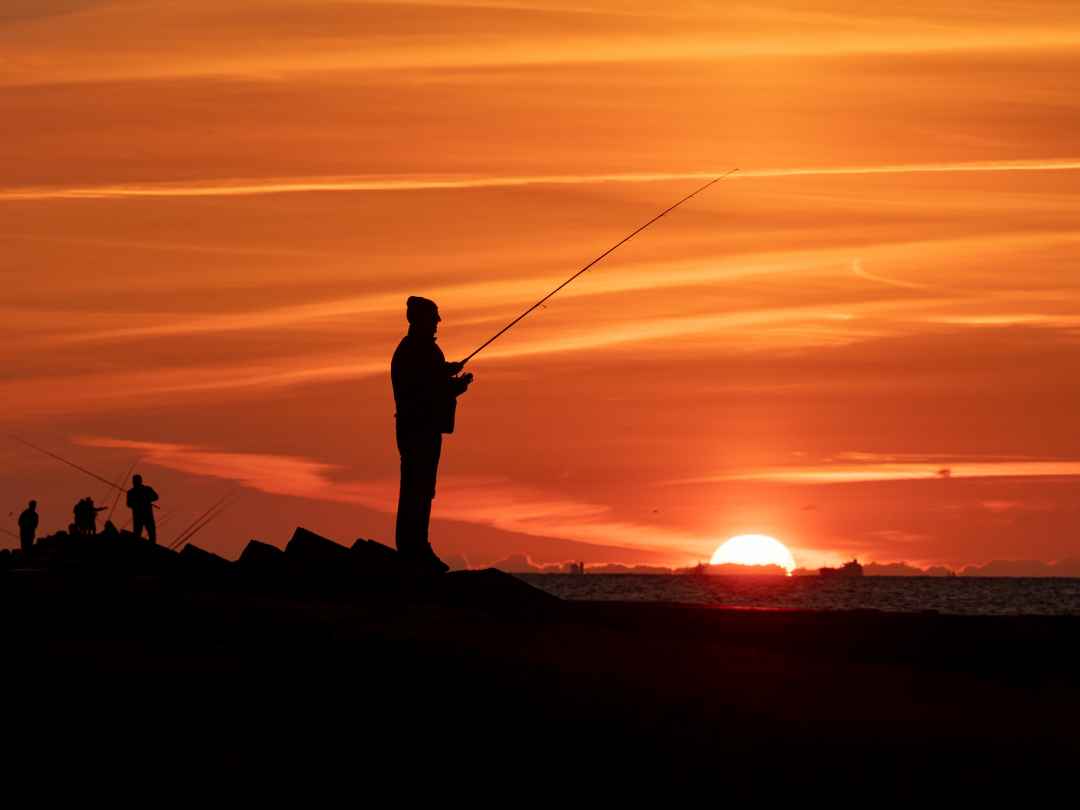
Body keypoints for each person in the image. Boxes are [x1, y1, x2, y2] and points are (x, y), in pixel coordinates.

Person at [391, 296, 473, 573]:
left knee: (420, 488)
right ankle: (415, 550)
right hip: (419, 430)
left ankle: (415, 547)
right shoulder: (418, 350)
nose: (439, 321)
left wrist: (448, 372)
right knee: (418, 488)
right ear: (420, 319)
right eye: (434, 316)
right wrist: (457, 387)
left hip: (417, 428)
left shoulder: (417, 350)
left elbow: (431, 378)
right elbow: (428, 391)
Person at [126, 474, 159, 543]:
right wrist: (137, 503)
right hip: (138, 517)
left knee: (151, 534)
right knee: (137, 534)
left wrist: (147, 498)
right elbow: (129, 504)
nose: (134, 482)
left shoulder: (147, 489)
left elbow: (156, 497)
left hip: (147, 516)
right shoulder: (131, 492)